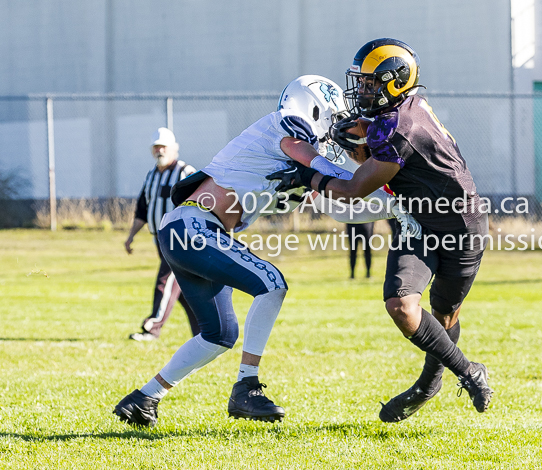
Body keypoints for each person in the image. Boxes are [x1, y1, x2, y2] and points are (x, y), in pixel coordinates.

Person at [113, 75, 421, 427]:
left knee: (219, 334)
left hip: (191, 230)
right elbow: (305, 153)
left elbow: (341, 207)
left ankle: (144, 398)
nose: (336, 129)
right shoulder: (288, 125)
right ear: (314, 106)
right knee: (272, 282)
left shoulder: (298, 159)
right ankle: (247, 386)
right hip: (194, 226)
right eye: (333, 118)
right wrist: (341, 175)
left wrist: (394, 208)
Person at [271, 39, 493, 422]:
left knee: (443, 316)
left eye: (372, 83)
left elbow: (356, 188)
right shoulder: (405, 108)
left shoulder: (398, 127)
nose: (363, 90)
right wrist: (362, 137)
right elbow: (385, 160)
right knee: (403, 307)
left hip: (461, 226)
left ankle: (428, 384)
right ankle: (468, 372)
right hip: (418, 221)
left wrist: (309, 176)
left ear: (395, 82)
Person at [124, 128, 200, 341]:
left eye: (163, 146)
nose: (160, 150)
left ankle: (152, 328)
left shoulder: (186, 172)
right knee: (184, 289)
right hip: (160, 238)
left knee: (165, 280)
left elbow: (204, 203)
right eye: (156, 146)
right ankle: (205, 331)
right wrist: (131, 236)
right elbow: (142, 209)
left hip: (180, 239)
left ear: (174, 148)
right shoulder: (151, 176)